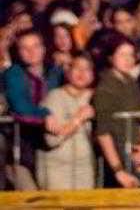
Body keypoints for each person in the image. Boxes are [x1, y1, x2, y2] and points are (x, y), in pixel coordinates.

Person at [4, 29, 63, 189]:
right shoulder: (14, 73)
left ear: (44, 48)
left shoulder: (56, 72)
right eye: (25, 48)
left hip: (51, 143)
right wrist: (45, 114)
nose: (31, 52)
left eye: (36, 46)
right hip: (21, 144)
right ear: (18, 51)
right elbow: (20, 106)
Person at [92, 35, 140, 188]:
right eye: (122, 54)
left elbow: (138, 120)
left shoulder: (131, 81)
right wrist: (118, 170)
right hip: (118, 157)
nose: (128, 59)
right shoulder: (105, 88)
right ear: (111, 57)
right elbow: (102, 133)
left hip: (137, 154)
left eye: (131, 55)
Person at [37, 53, 96, 190]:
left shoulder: (94, 97)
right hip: (57, 170)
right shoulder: (55, 97)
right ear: (68, 71)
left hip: (85, 170)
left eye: (87, 69)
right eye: (77, 68)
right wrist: (78, 119)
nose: (81, 73)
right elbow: (52, 140)